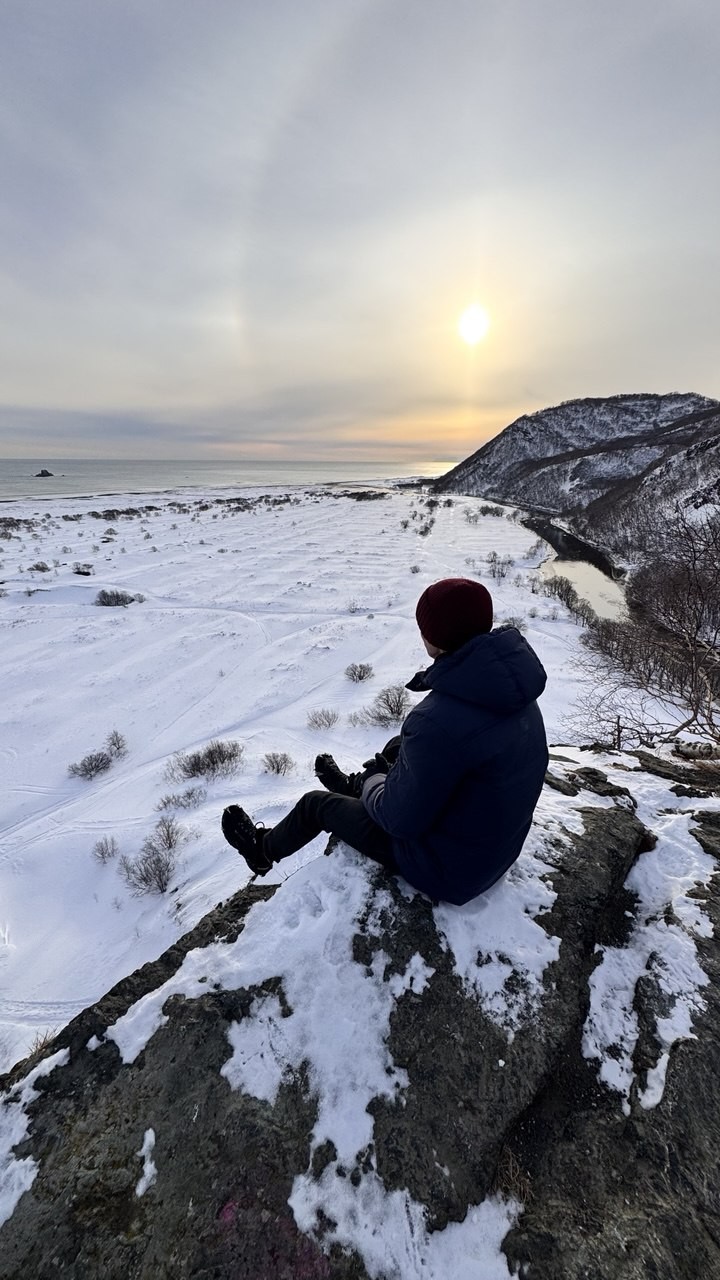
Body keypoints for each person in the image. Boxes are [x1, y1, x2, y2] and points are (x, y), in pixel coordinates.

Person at [221, 577, 549, 906]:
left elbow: (398, 820)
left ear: (433, 638)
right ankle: (358, 786)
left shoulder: (433, 721)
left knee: (315, 805)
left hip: (447, 870)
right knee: (401, 743)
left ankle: (260, 851)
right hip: (491, 851)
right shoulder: (512, 689)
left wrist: (373, 783)